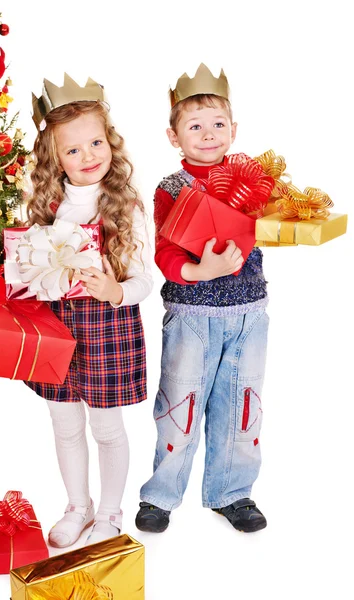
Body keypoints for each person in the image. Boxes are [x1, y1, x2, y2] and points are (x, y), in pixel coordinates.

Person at [135, 64, 269, 534]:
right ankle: (160, 495)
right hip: (192, 314)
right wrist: (200, 271)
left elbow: (274, 225)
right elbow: (166, 254)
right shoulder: (171, 189)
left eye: (217, 125)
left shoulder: (254, 182)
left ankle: (232, 493)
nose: (208, 135)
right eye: (194, 126)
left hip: (249, 312)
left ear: (234, 130)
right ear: (174, 136)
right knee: (180, 403)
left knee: (242, 403)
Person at [26, 75, 153, 547]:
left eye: (96, 142)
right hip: (56, 327)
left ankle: (109, 511)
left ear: (110, 141)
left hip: (106, 327)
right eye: (73, 150)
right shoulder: (47, 206)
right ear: (54, 158)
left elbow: (145, 279)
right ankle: (76, 505)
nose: (89, 156)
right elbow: (31, 270)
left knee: (105, 426)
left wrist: (114, 290)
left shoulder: (126, 204)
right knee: (64, 423)